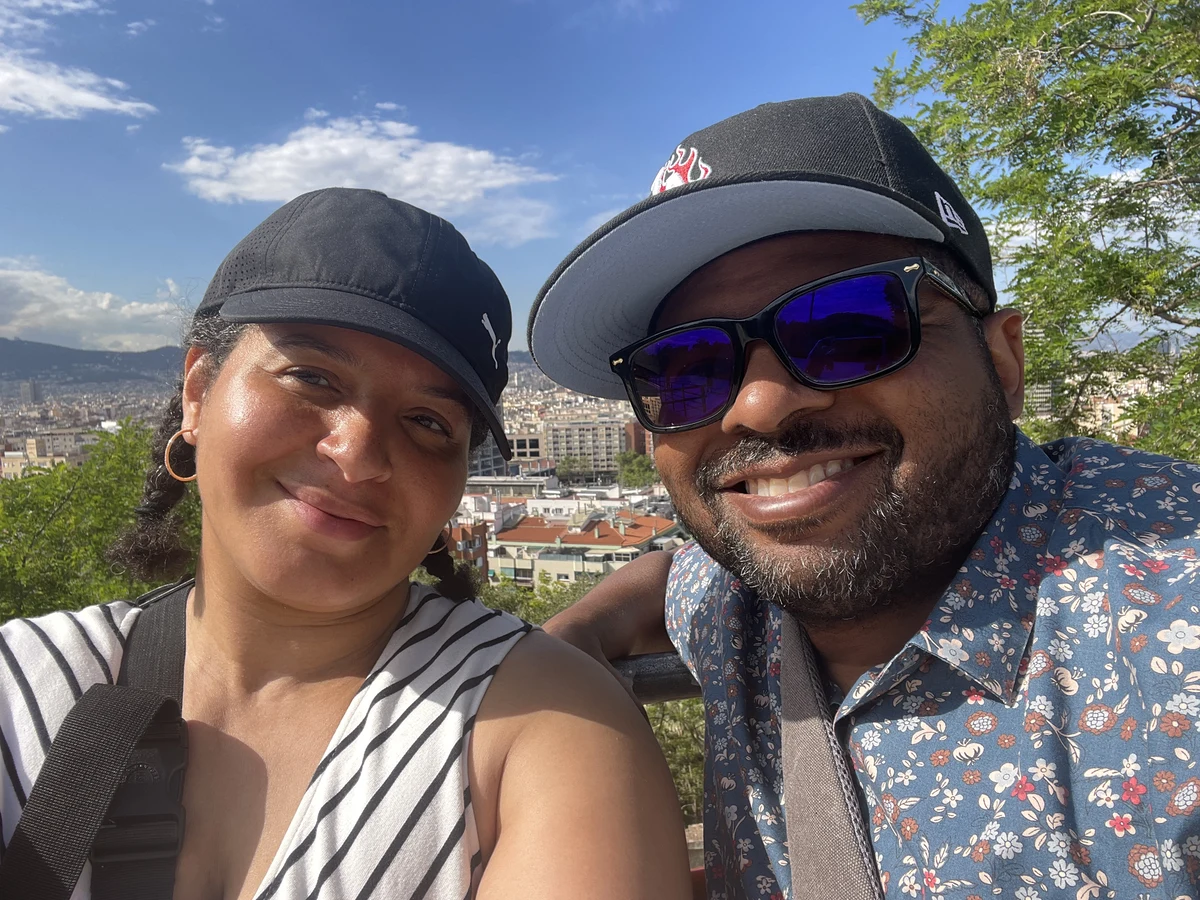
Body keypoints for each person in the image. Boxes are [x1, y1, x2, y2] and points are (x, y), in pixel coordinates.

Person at [529, 95, 1200, 899]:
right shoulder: (741, 592)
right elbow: (668, 579)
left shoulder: (1172, 622)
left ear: (1004, 361)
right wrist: (559, 653)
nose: (758, 407)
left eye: (847, 326)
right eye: (686, 369)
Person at [0, 188, 691, 900]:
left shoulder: (543, 730)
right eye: (311, 376)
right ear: (198, 392)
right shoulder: (20, 691)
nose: (358, 453)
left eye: (426, 421)